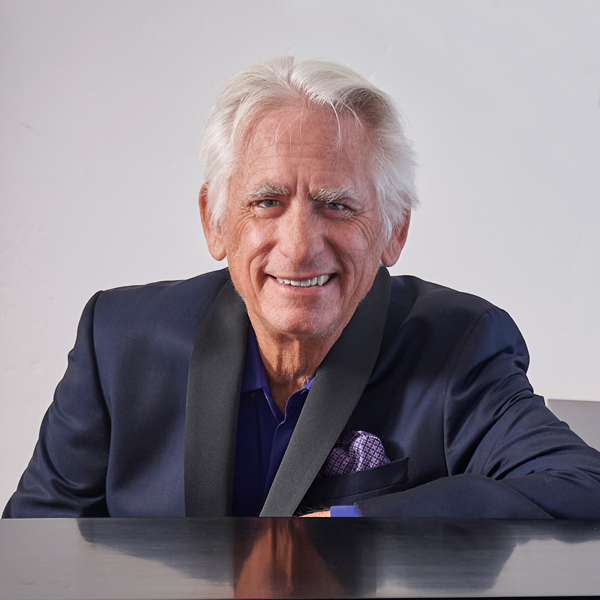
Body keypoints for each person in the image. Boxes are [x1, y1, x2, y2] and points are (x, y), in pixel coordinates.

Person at [4, 57, 600, 519]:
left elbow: (581, 487)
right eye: (266, 202)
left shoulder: (461, 346)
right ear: (215, 221)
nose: (298, 246)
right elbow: (34, 546)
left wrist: (354, 526)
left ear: (394, 231)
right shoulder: (117, 340)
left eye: (337, 206)